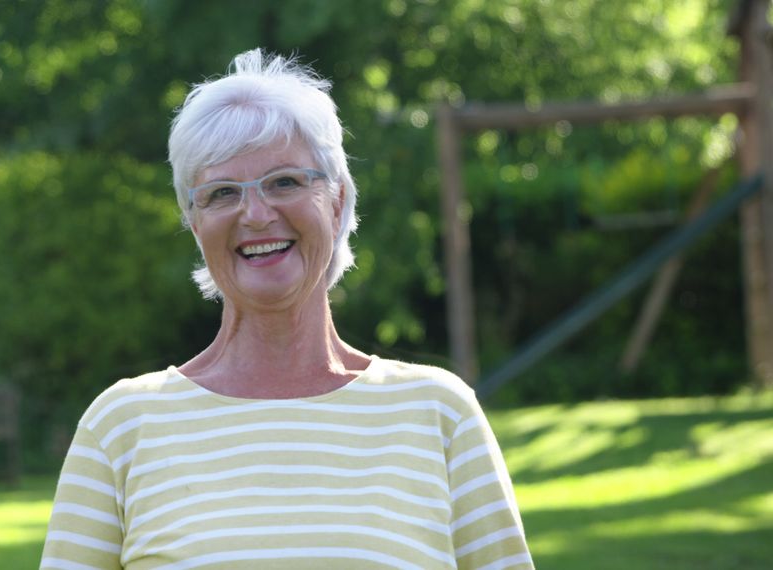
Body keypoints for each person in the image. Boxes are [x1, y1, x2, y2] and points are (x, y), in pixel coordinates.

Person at [40, 48, 533, 570]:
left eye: (285, 182)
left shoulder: (440, 414)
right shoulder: (120, 427)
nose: (256, 214)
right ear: (192, 220)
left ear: (338, 200)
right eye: (222, 193)